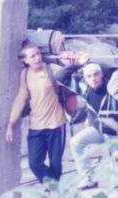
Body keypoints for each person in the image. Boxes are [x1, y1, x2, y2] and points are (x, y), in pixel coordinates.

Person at [6, 45, 78, 183]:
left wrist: (71, 63)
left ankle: (54, 196)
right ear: (25, 60)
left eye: (38, 54)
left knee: (55, 164)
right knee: (34, 163)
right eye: (32, 56)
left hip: (56, 124)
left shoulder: (52, 70)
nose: (37, 58)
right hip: (36, 126)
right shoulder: (25, 74)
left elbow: (67, 75)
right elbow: (21, 99)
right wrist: (11, 123)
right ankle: (55, 188)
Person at [67, 59, 118, 183]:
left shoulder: (113, 88)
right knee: (76, 142)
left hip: (115, 132)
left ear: (102, 75)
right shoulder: (84, 89)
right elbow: (60, 77)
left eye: (96, 74)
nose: (93, 78)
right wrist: (76, 63)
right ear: (85, 79)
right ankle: (88, 178)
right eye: (89, 76)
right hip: (98, 129)